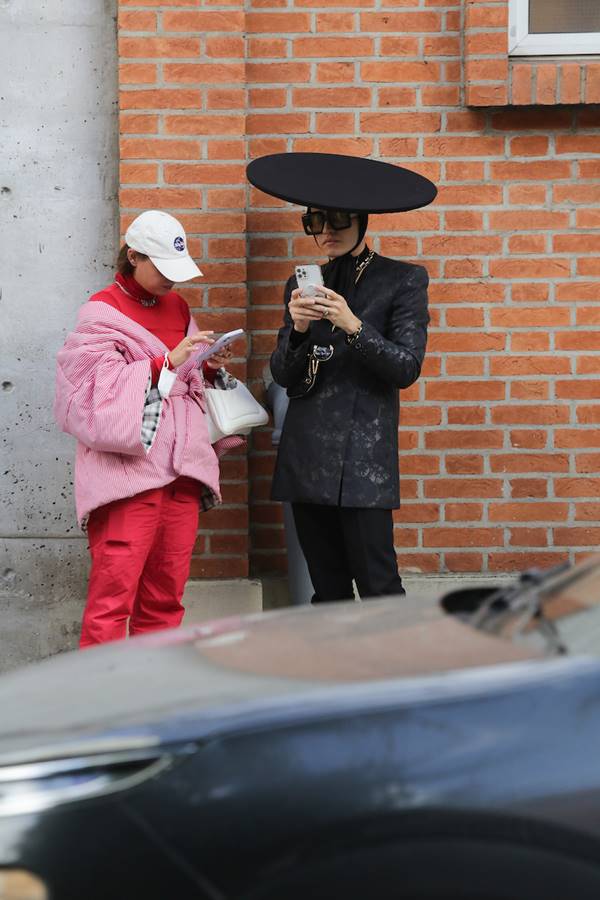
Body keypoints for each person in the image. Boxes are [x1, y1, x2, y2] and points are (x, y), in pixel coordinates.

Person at [246, 152, 436, 603]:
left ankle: (393, 672)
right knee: (326, 589)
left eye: (337, 221)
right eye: (315, 221)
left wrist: (353, 326)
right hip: (306, 453)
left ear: (362, 221)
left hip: (364, 461)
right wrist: (298, 330)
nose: (326, 232)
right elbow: (286, 378)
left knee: (379, 585)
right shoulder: (301, 286)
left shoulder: (402, 280)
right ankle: (337, 672)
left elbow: (406, 368)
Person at [54, 210, 240, 646]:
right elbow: (85, 393)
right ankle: (101, 705)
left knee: (166, 597)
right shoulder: (101, 310)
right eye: (162, 268)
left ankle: (152, 695)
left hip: (182, 470)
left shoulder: (178, 305)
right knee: (111, 600)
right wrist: (166, 362)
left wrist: (206, 366)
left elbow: (184, 378)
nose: (173, 281)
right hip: (127, 477)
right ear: (133, 256)